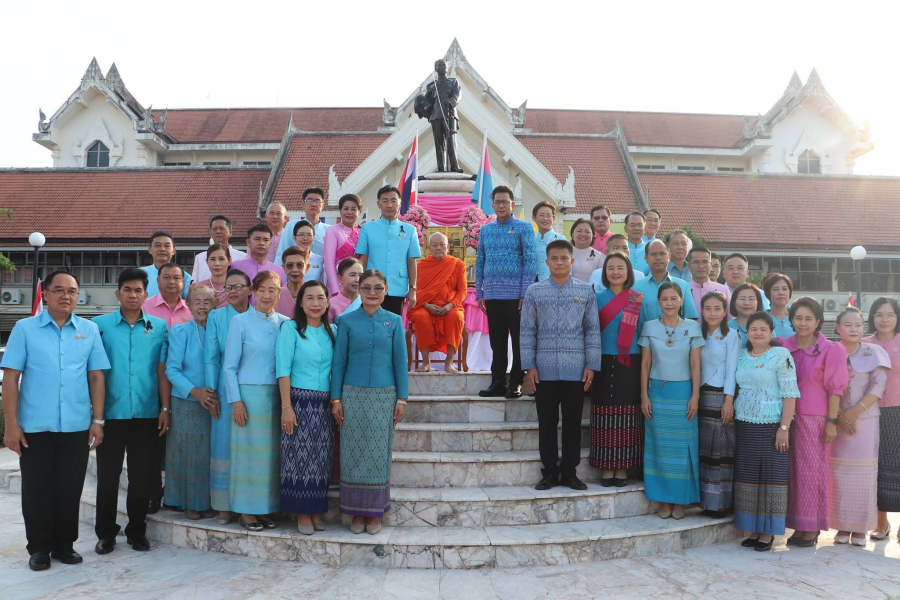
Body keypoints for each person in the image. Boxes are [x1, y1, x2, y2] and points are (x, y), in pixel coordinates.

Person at [1, 271, 109, 572]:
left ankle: (65, 545)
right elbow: (11, 378)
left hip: (75, 425)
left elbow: (96, 376)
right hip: (35, 426)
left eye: (72, 291)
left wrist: (97, 420)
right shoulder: (25, 329)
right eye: (59, 290)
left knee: (70, 487)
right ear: (44, 293)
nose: (66, 296)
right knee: (36, 488)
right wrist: (11, 424)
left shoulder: (88, 330)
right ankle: (38, 548)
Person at [93, 268, 170, 555]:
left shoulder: (159, 327)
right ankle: (105, 534)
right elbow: (94, 372)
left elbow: (162, 372)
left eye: (138, 290)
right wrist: (96, 416)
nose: (133, 295)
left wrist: (165, 408)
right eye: (127, 289)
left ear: (146, 295)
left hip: (146, 414)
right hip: (110, 415)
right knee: (108, 477)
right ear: (118, 293)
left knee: (140, 478)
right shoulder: (99, 325)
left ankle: (137, 532)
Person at [331, 270, 408, 534]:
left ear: (386, 289)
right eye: (366, 288)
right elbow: (339, 361)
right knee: (351, 452)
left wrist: (402, 398)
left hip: (384, 396)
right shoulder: (347, 321)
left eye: (378, 288)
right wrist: (336, 399)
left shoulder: (395, 322)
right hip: (352, 395)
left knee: (378, 453)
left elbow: (400, 362)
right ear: (359, 290)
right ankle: (355, 513)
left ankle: (374, 513)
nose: (372, 293)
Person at [521, 240, 601, 491]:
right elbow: (526, 331)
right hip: (543, 370)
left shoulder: (586, 291)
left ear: (572, 261)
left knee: (572, 423)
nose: (559, 262)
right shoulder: (534, 291)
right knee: (546, 423)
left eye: (564, 258)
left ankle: (569, 472)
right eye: (554, 258)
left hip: (576, 370)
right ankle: (549, 473)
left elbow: (592, 331)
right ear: (546, 262)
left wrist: (591, 365)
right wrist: (529, 366)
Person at [223, 271, 289, 531]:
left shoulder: (285, 323)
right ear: (252, 291)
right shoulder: (240, 322)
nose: (266, 295)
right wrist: (236, 402)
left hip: (276, 396)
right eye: (262, 289)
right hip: (248, 396)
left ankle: (264, 509)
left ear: (279, 293)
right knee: (248, 455)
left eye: (272, 290)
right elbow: (229, 367)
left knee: (270, 457)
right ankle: (246, 511)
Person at [782, 296, 849, 547]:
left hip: (815, 419)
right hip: (786, 418)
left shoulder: (832, 349)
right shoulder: (782, 346)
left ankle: (812, 527)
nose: (803, 323)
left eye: (809, 318)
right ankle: (798, 525)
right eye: (798, 317)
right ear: (791, 320)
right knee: (792, 473)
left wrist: (831, 421)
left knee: (812, 473)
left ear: (818, 321)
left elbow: (836, 389)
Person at [733, 312, 799, 552]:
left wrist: (784, 428)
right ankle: (753, 529)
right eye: (753, 329)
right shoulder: (741, 356)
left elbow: (790, 393)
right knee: (749, 476)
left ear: (772, 333)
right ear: (747, 333)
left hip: (773, 425)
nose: (758, 333)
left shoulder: (781, 355)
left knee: (772, 478)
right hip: (745, 424)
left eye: (763, 329)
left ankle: (768, 532)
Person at [639, 282, 704, 519]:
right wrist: (644, 395)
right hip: (657, 393)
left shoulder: (693, 327)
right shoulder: (648, 327)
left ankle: (680, 502)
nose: (669, 303)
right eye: (664, 299)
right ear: (658, 302)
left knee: (682, 450)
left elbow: (696, 364)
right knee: (659, 448)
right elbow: (645, 364)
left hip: (684, 393)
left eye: (674, 298)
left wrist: (695, 396)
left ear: (681, 301)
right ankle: (664, 501)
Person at [277, 281, 336, 535]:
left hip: (324, 404)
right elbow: (283, 370)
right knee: (298, 459)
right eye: (309, 298)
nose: (315, 303)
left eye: (320, 298)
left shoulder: (333, 330)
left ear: (327, 302)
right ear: (300, 302)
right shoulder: (291, 329)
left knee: (320, 460)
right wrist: (287, 407)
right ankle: (301, 513)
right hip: (298, 402)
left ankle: (315, 509)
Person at [831, 307, 889, 545]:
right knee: (839, 474)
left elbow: (879, 385)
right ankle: (843, 527)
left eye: (858, 325)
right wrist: (839, 415)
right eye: (848, 324)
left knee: (864, 474)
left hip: (865, 422)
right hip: (837, 421)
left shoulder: (873, 351)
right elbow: (824, 384)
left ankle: (862, 528)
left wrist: (854, 412)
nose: (853, 329)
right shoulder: (831, 351)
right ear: (838, 328)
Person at [475, 185, 536, 398]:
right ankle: (498, 382)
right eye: (497, 202)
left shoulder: (524, 228)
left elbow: (530, 260)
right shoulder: (485, 230)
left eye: (505, 202)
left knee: (519, 341)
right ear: (492, 205)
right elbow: (480, 260)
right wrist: (479, 293)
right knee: (497, 342)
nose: (501, 205)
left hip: (516, 296)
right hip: (492, 294)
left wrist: (525, 292)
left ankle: (516, 382)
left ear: (512, 204)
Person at [164, 284, 218, 520]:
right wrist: (196, 392)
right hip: (187, 401)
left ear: (215, 305)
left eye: (207, 301)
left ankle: (208, 501)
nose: (202, 306)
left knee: (210, 453)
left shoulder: (220, 330)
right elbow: (172, 370)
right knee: (190, 454)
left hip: (215, 401)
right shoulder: (180, 332)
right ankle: (189, 503)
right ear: (189, 305)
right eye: (196, 302)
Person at [591, 253, 644, 486]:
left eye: (620, 267)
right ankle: (606, 466)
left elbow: (643, 332)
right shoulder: (596, 297)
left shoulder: (637, 299)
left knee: (627, 413)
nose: (615, 272)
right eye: (610, 268)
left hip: (629, 361)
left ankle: (621, 468)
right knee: (603, 412)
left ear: (628, 271)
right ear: (604, 272)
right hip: (601, 360)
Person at [204, 269, 252, 525]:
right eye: (228, 287)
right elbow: (212, 356)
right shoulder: (217, 316)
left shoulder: (259, 316)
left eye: (238, 286)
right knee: (223, 444)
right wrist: (212, 392)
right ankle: (223, 506)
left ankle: (250, 502)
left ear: (249, 289)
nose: (232, 291)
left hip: (254, 388)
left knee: (249, 446)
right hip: (224, 387)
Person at [698, 291, 740, 515]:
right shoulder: (697, 334)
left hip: (722, 396)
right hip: (701, 396)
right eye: (708, 309)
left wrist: (729, 399)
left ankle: (721, 503)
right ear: (702, 311)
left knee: (721, 449)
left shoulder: (732, 335)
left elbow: (732, 367)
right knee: (705, 448)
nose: (712, 313)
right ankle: (705, 501)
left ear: (725, 312)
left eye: (717, 309)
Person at [864, 297, 900, 540]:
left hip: (897, 411)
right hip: (869, 412)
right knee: (875, 467)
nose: (884, 319)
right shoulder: (864, 344)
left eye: (889, 314)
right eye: (879, 314)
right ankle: (881, 523)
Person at [357, 185, 421, 316]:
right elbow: (362, 259)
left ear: (399, 203)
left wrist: (412, 289)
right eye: (385, 201)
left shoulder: (410, 230)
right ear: (378, 204)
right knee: (370, 324)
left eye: (393, 200)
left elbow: (411, 261)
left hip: (398, 287)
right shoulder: (367, 228)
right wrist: (360, 285)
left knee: (392, 327)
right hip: (371, 287)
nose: (389, 205)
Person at [407, 232, 467, 373]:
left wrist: (450, 305)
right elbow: (416, 290)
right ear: (429, 248)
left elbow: (462, 291)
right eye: (435, 245)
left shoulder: (457, 265)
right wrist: (427, 305)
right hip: (425, 305)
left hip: (450, 305)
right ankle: (426, 362)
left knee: (456, 317)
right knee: (421, 318)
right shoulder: (421, 266)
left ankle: (449, 362)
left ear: (448, 247)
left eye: (442, 245)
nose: (438, 248)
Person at [632, 240, 698, 321]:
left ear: (669, 257)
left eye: (662, 254)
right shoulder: (635, 288)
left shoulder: (683, 286)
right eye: (653, 254)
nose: (658, 258)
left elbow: (691, 320)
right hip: (644, 333)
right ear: (646, 258)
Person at [275, 187, 330, 263]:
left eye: (317, 200)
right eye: (309, 200)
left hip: (319, 272)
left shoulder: (329, 230)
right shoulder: (291, 226)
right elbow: (281, 254)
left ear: (323, 205)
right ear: (303, 204)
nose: (313, 204)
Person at [323, 193, 362, 296]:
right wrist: (336, 291)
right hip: (339, 286)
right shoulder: (333, 231)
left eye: (354, 209)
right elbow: (329, 263)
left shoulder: (362, 232)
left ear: (359, 212)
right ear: (340, 211)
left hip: (358, 287)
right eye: (346, 208)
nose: (349, 212)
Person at [192, 215, 247, 282]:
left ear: (230, 232)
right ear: (211, 232)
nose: (218, 231)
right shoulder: (200, 258)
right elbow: (194, 284)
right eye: (214, 229)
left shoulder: (243, 257)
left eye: (222, 228)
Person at [141, 231, 192, 299]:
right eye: (158, 245)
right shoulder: (139, 274)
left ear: (173, 251)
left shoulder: (185, 277)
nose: (162, 249)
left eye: (167, 246)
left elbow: (190, 303)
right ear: (150, 250)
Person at [143, 263, 193, 329]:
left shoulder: (191, 309)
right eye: (166, 277)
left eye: (176, 278)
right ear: (158, 281)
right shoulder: (144, 306)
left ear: (183, 282)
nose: (171, 282)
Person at [688, 246, 730, 316]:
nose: (701, 266)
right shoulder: (683, 290)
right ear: (689, 266)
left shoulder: (723, 290)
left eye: (705, 262)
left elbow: (730, 319)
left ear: (710, 265)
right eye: (696, 262)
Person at [533, 200, 566, 282]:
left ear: (554, 218)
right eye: (541, 215)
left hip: (556, 284)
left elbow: (568, 266)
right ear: (534, 217)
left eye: (548, 215)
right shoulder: (530, 240)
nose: (545, 219)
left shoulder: (561, 240)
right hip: (533, 284)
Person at [194, 243, 232, 308]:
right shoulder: (196, 288)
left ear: (229, 261)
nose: (217, 264)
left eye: (221, 259)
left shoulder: (236, 288)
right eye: (213, 259)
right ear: (207, 261)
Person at [275, 246, 308, 317]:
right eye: (290, 265)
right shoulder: (277, 295)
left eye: (300, 265)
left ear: (307, 267)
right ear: (284, 268)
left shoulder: (314, 294)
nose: (295, 270)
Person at [570, 218, 605, 282]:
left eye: (587, 231)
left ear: (592, 235)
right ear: (572, 234)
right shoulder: (566, 253)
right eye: (579, 231)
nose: (583, 234)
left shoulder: (599, 257)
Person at [330, 257, 364, 321]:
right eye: (352, 275)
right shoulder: (330, 305)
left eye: (360, 275)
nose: (357, 280)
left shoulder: (366, 302)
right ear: (340, 278)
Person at [763, 273, 794, 337]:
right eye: (775, 289)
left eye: (784, 289)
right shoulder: (762, 318)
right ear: (768, 293)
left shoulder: (798, 315)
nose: (781, 293)